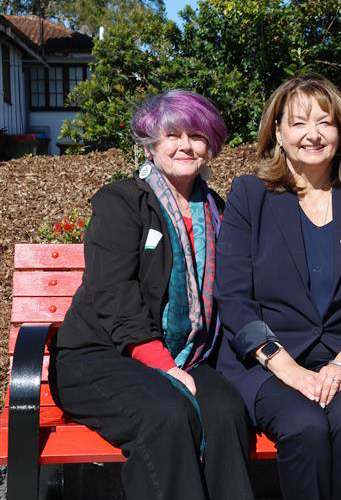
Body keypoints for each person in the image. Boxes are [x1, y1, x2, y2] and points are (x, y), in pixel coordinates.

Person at [49, 90, 255, 500]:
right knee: (166, 414)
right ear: (151, 143)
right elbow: (114, 292)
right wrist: (163, 366)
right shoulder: (122, 202)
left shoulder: (216, 208)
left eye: (196, 135)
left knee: (228, 413)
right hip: (99, 356)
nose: (185, 145)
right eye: (172, 135)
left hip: (188, 355)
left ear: (209, 144)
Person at [214, 74, 341, 500]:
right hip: (270, 363)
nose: (312, 134)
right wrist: (291, 371)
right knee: (305, 427)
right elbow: (235, 299)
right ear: (277, 131)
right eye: (298, 123)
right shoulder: (250, 196)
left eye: (325, 122)